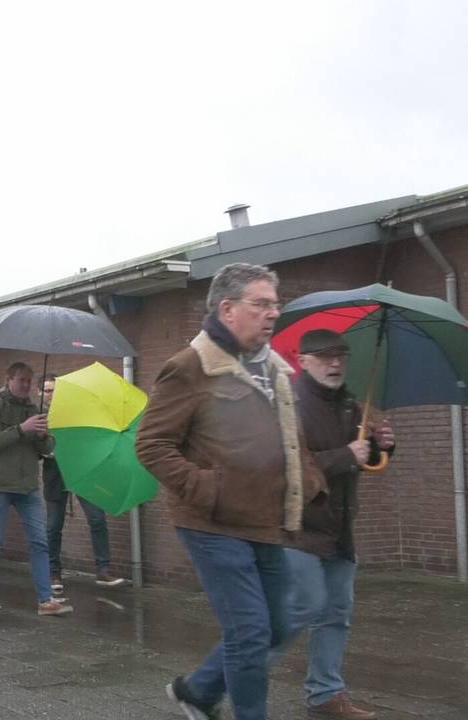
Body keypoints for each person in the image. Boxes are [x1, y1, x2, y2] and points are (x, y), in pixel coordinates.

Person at [137, 262, 323, 720]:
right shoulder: (189, 367)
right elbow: (152, 444)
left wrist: (310, 485)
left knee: (278, 624)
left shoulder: (275, 368)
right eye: (261, 304)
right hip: (211, 522)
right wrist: (205, 487)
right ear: (227, 309)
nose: (273, 313)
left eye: (275, 305)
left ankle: (198, 691)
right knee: (249, 631)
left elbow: (287, 440)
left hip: (264, 521)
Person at [274, 329, 394, 720]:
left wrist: (383, 445)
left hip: (340, 531)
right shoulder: (288, 405)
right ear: (303, 360)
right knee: (298, 611)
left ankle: (325, 695)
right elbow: (285, 471)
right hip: (299, 531)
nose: (336, 363)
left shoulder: (350, 406)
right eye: (325, 356)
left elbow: (367, 459)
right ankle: (227, 675)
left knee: (336, 615)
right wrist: (346, 454)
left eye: (341, 355)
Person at [0, 363, 71, 617]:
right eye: (22, 380)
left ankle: (46, 599)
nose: (27, 385)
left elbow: (47, 449)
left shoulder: (34, 409)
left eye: (30, 381)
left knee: (40, 541)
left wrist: (42, 436)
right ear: (9, 380)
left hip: (27, 484)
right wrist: (23, 429)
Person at [41, 377, 129, 590]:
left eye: (54, 390)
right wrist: (45, 449)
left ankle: (103, 570)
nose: (51, 394)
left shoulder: (74, 413)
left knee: (97, 519)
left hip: (81, 472)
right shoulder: (38, 418)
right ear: (40, 393)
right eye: (47, 390)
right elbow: (32, 447)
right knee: (54, 526)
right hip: (55, 474)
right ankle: (54, 573)